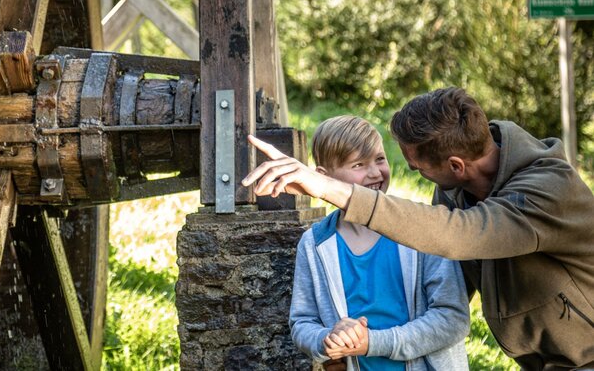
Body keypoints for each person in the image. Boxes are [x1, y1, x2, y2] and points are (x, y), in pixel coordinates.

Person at [244, 87, 594, 369]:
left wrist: (325, 189)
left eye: (418, 168)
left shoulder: (549, 191)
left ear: (456, 165)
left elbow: (458, 235)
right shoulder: (456, 188)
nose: (407, 173)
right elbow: (447, 289)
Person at [289, 115, 469, 371]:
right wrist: (326, 340)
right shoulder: (314, 244)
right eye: (359, 164)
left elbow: (452, 318)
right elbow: (302, 322)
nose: (375, 173)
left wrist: (372, 342)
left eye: (380, 159)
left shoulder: (422, 227)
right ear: (323, 177)